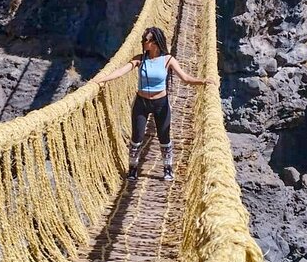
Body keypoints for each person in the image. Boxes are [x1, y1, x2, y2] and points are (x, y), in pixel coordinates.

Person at [92, 26, 215, 181]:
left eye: (146, 39)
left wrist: (204, 81)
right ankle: (132, 168)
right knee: (137, 137)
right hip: (141, 103)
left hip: (161, 104)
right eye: (143, 39)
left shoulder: (168, 60)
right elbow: (121, 71)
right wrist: (101, 79)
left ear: (155, 42)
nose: (143, 42)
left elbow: (185, 78)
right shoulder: (140, 58)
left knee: (164, 136)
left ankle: (168, 168)